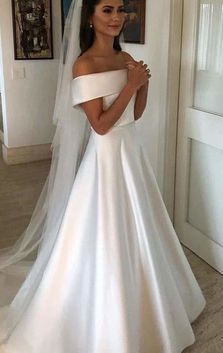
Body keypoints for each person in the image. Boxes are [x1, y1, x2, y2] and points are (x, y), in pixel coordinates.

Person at [0, 0, 206, 352]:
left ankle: (153, 302)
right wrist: (131, 84)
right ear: (90, 18)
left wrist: (143, 85)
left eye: (120, 10)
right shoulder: (84, 64)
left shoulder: (125, 59)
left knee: (142, 225)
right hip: (106, 160)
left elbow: (135, 115)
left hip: (132, 156)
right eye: (107, 10)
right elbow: (100, 126)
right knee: (105, 230)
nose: (116, 17)